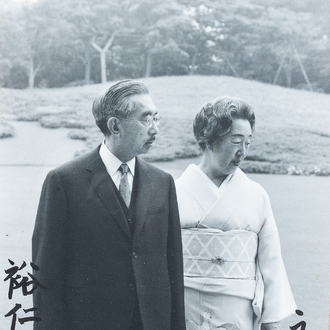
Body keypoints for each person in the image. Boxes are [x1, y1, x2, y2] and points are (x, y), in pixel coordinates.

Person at [32, 80, 186, 330]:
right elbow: (45, 275)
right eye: (146, 119)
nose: (155, 129)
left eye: (157, 118)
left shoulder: (163, 183)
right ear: (115, 125)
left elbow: (173, 270)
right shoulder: (64, 182)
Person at [175, 96, 296, 330]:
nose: (243, 152)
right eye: (236, 141)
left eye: (248, 143)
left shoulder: (256, 195)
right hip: (184, 309)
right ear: (210, 140)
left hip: (238, 312)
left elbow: (271, 262)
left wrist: (271, 321)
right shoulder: (175, 191)